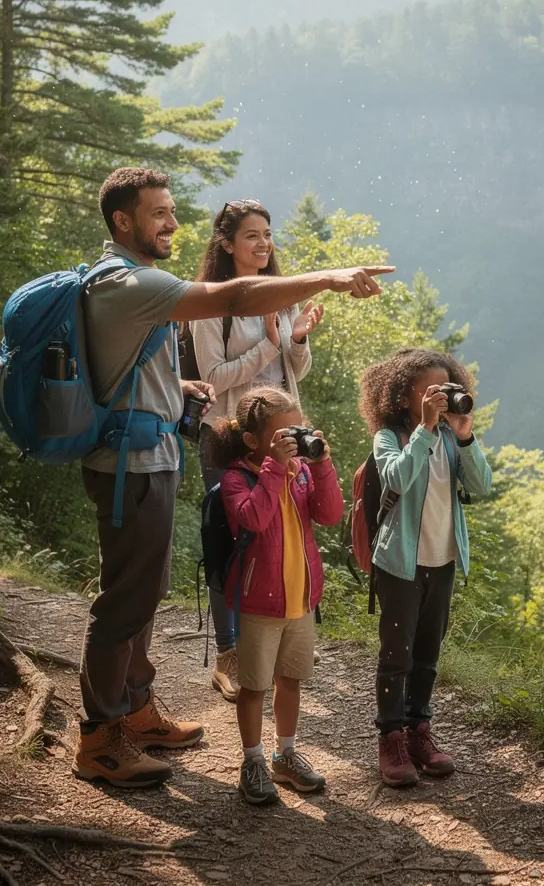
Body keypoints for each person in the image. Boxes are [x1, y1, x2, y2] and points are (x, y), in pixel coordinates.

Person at [74, 167, 391, 789]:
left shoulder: (131, 280)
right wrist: (331, 276)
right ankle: (100, 739)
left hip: (151, 454)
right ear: (123, 220)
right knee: (126, 599)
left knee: (146, 590)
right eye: (159, 212)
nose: (173, 222)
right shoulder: (128, 280)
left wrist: (179, 387)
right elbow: (237, 297)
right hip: (130, 466)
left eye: (171, 210)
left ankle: (134, 710)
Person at [190, 200, 325, 703]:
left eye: (267, 233)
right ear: (227, 244)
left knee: (282, 532)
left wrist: (297, 340)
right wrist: (269, 344)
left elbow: (295, 372)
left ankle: (276, 639)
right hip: (228, 438)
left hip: (281, 437)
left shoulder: (280, 297)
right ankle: (229, 653)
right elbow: (213, 377)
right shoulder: (211, 304)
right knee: (233, 542)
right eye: (251, 235)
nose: (263, 243)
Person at [358, 348, 492, 788]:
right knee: (397, 655)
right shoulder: (389, 438)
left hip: (443, 558)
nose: (441, 398)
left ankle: (419, 730)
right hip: (401, 562)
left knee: (428, 655)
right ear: (403, 398)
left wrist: (465, 435)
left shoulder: (453, 439)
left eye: (447, 389)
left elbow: (481, 485)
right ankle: (390, 738)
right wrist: (425, 431)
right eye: (431, 391)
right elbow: (397, 478)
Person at [210, 387, 344, 805]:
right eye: (283, 435)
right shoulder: (237, 477)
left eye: (297, 431)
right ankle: (252, 760)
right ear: (253, 440)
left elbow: (330, 514)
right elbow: (252, 520)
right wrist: (274, 468)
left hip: (300, 600)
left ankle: (285, 755)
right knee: (253, 687)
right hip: (258, 604)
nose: (294, 441)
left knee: (290, 680)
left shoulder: (301, 472)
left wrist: (321, 466)